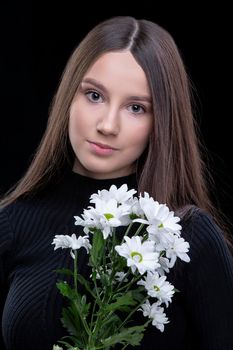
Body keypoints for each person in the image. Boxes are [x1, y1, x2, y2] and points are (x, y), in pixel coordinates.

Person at [0, 15, 232, 350]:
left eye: (136, 107)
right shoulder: (11, 225)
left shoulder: (188, 236)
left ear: (161, 122)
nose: (108, 125)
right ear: (69, 97)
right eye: (94, 95)